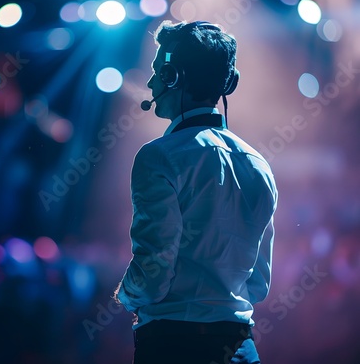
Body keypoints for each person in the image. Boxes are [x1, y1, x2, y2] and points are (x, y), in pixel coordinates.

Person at [114, 20, 278, 364]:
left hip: (174, 346)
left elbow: (153, 273)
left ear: (174, 77)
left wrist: (125, 296)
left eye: (159, 70)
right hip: (241, 348)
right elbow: (259, 283)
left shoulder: (158, 157)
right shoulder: (258, 164)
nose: (151, 81)